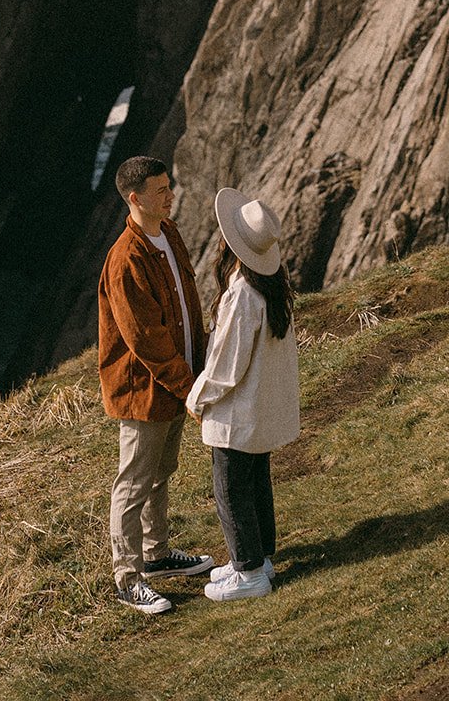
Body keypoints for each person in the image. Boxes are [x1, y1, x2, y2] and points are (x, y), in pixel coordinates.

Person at [98, 155, 214, 614]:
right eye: (161, 190)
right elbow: (145, 339)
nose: (171, 195)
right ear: (135, 198)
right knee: (133, 481)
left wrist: (197, 367)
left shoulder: (169, 234)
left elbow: (187, 306)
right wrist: (191, 387)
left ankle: (157, 555)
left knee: (161, 470)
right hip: (144, 390)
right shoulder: (125, 258)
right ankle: (127, 577)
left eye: (170, 186)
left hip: (174, 381)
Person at [186, 189, 300, 602]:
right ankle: (258, 558)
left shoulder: (242, 296)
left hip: (238, 413)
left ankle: (249, 572)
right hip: (262, 409)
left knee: (231, 489)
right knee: (256, 482)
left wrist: (197, 397)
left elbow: (225, 367)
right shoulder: (273, 287)